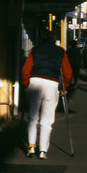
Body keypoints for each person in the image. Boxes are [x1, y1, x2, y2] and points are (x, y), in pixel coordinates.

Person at [21, 29, 74, 159]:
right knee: (47, 119)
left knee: (33, 117)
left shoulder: (35, 50)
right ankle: (43, 150)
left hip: (35, 81)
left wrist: (26, 84)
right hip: (52, 83)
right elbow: (68, 73)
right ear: (54, 40)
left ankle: (31, 146)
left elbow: (25, 70)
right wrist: (64, 87)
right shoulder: (61, 52)